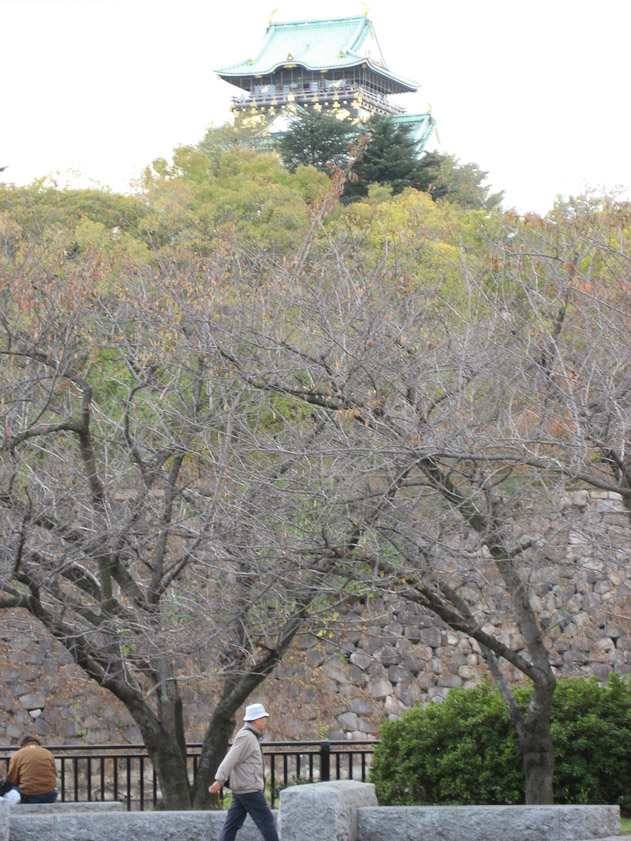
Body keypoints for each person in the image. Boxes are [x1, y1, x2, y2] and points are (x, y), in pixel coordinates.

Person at [208, 703, 279, 841]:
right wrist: (219, 780)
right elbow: (230, 759)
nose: (265, 720)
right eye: (264, 717)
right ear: (256, 719)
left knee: (232, 825)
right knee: (266, 821)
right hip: (249, 789)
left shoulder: (250, 736)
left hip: (243, 788)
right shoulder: (246, 737)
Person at [7, 735, 58, 804]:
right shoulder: (48, 753)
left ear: (22, 745)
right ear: (38, 744)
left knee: (13, 788)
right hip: (49, 795)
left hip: (29, 795)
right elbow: (54, 773)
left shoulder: (17, 755)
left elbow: (12, 778)